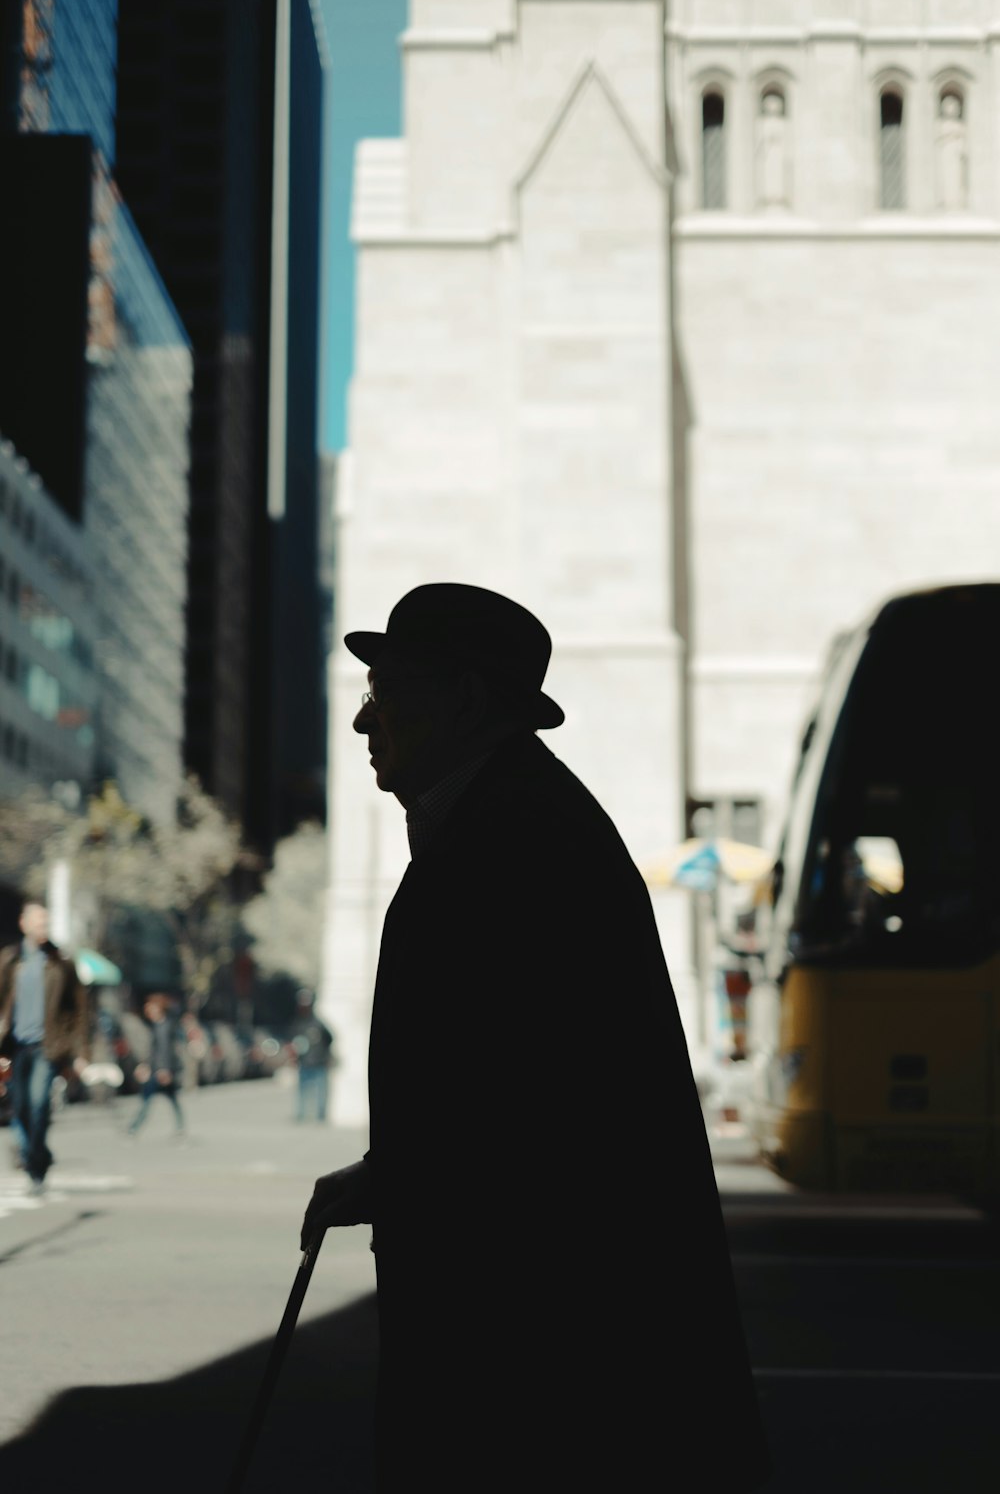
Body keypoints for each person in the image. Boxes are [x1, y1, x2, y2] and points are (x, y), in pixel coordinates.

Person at [302, 583, 771, 1492]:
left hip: (530, 1319)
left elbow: (539, 1105)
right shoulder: (505, 820)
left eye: (387, 690)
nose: (365, 720)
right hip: (523, 1300)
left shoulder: (517, 838)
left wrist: (412, 1174)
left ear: (467, 700)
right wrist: (393, 1171)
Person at [0, 900, 89, 1195]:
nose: (42, 928)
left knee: (39, 1104)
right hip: (15, 1046)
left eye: (46, 923)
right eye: (37, 922)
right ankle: (41, 1153)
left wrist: (79, 1052)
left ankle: (36, 1166)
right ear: (23, 924)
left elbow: (79, 1009)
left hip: (47, 1047)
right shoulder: (10, 961)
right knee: (20, 1108)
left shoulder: (61, 961)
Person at [127, 994, 186, 1138]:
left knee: (153, 1100)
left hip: (162, 1071)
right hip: (157, 1070)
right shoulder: (157, 1026)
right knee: (162, 1100)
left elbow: (166, 1051)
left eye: (151, 1008)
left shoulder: (165, 1027)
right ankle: (179, 1128)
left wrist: (164, 1070)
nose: (148, 1011)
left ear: (159, 1009)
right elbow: (153, 1052)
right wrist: (145, 1066)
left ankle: (135, 1128)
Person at [288, 988, 335, 1123]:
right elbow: (293, 1042)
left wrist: (325, 1055)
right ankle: (301, 1114)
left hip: (319, 1062)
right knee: (302, 1090)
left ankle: (321, 1115)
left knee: (321, 1091)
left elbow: (330, 1039)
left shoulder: (318, 1024)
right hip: (304, 1063)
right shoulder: (297, 1024)